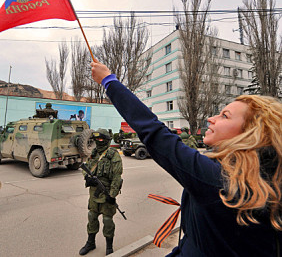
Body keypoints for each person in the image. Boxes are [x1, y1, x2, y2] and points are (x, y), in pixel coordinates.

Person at [90, 60, 282, 257]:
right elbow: (203, 242)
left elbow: (154, 132)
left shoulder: (220, 180)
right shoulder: (266, 179)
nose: (211, 119)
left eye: (225, 116)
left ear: (250, 133)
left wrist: (109, 81)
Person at [79, 128, 123, 256]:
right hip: (94, 192)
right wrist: (87, 178)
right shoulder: (94, 153)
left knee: (107, 220)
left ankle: (109, 247)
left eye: (101, 139)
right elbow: (86, 167)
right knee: (92, 217)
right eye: (96, 139)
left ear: (107, 140)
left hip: (107, 191)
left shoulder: (113, 154)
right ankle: (90, 243)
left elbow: (117, 176)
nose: (99, 141)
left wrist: (112, 195)